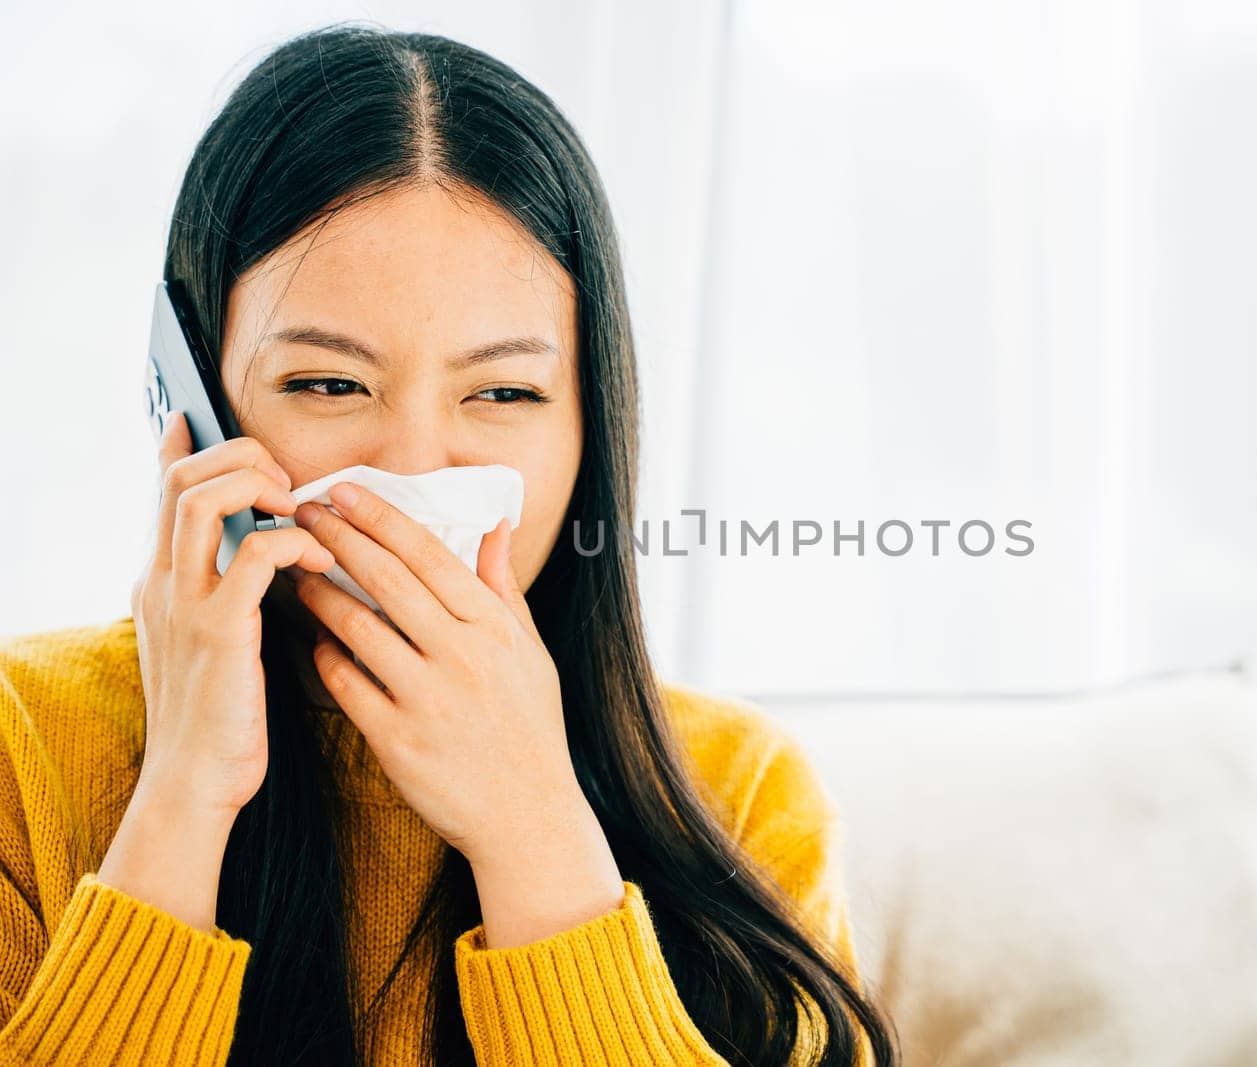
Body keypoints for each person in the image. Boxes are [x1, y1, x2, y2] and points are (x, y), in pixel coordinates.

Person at [0, 22, 896, 1066]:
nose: (418, 469)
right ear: (193, 405)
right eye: (328, 384)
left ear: (590, 426)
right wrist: (182, 798)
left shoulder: (739, 792)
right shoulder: (26, 744)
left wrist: (534, 832)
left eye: (504, 391)